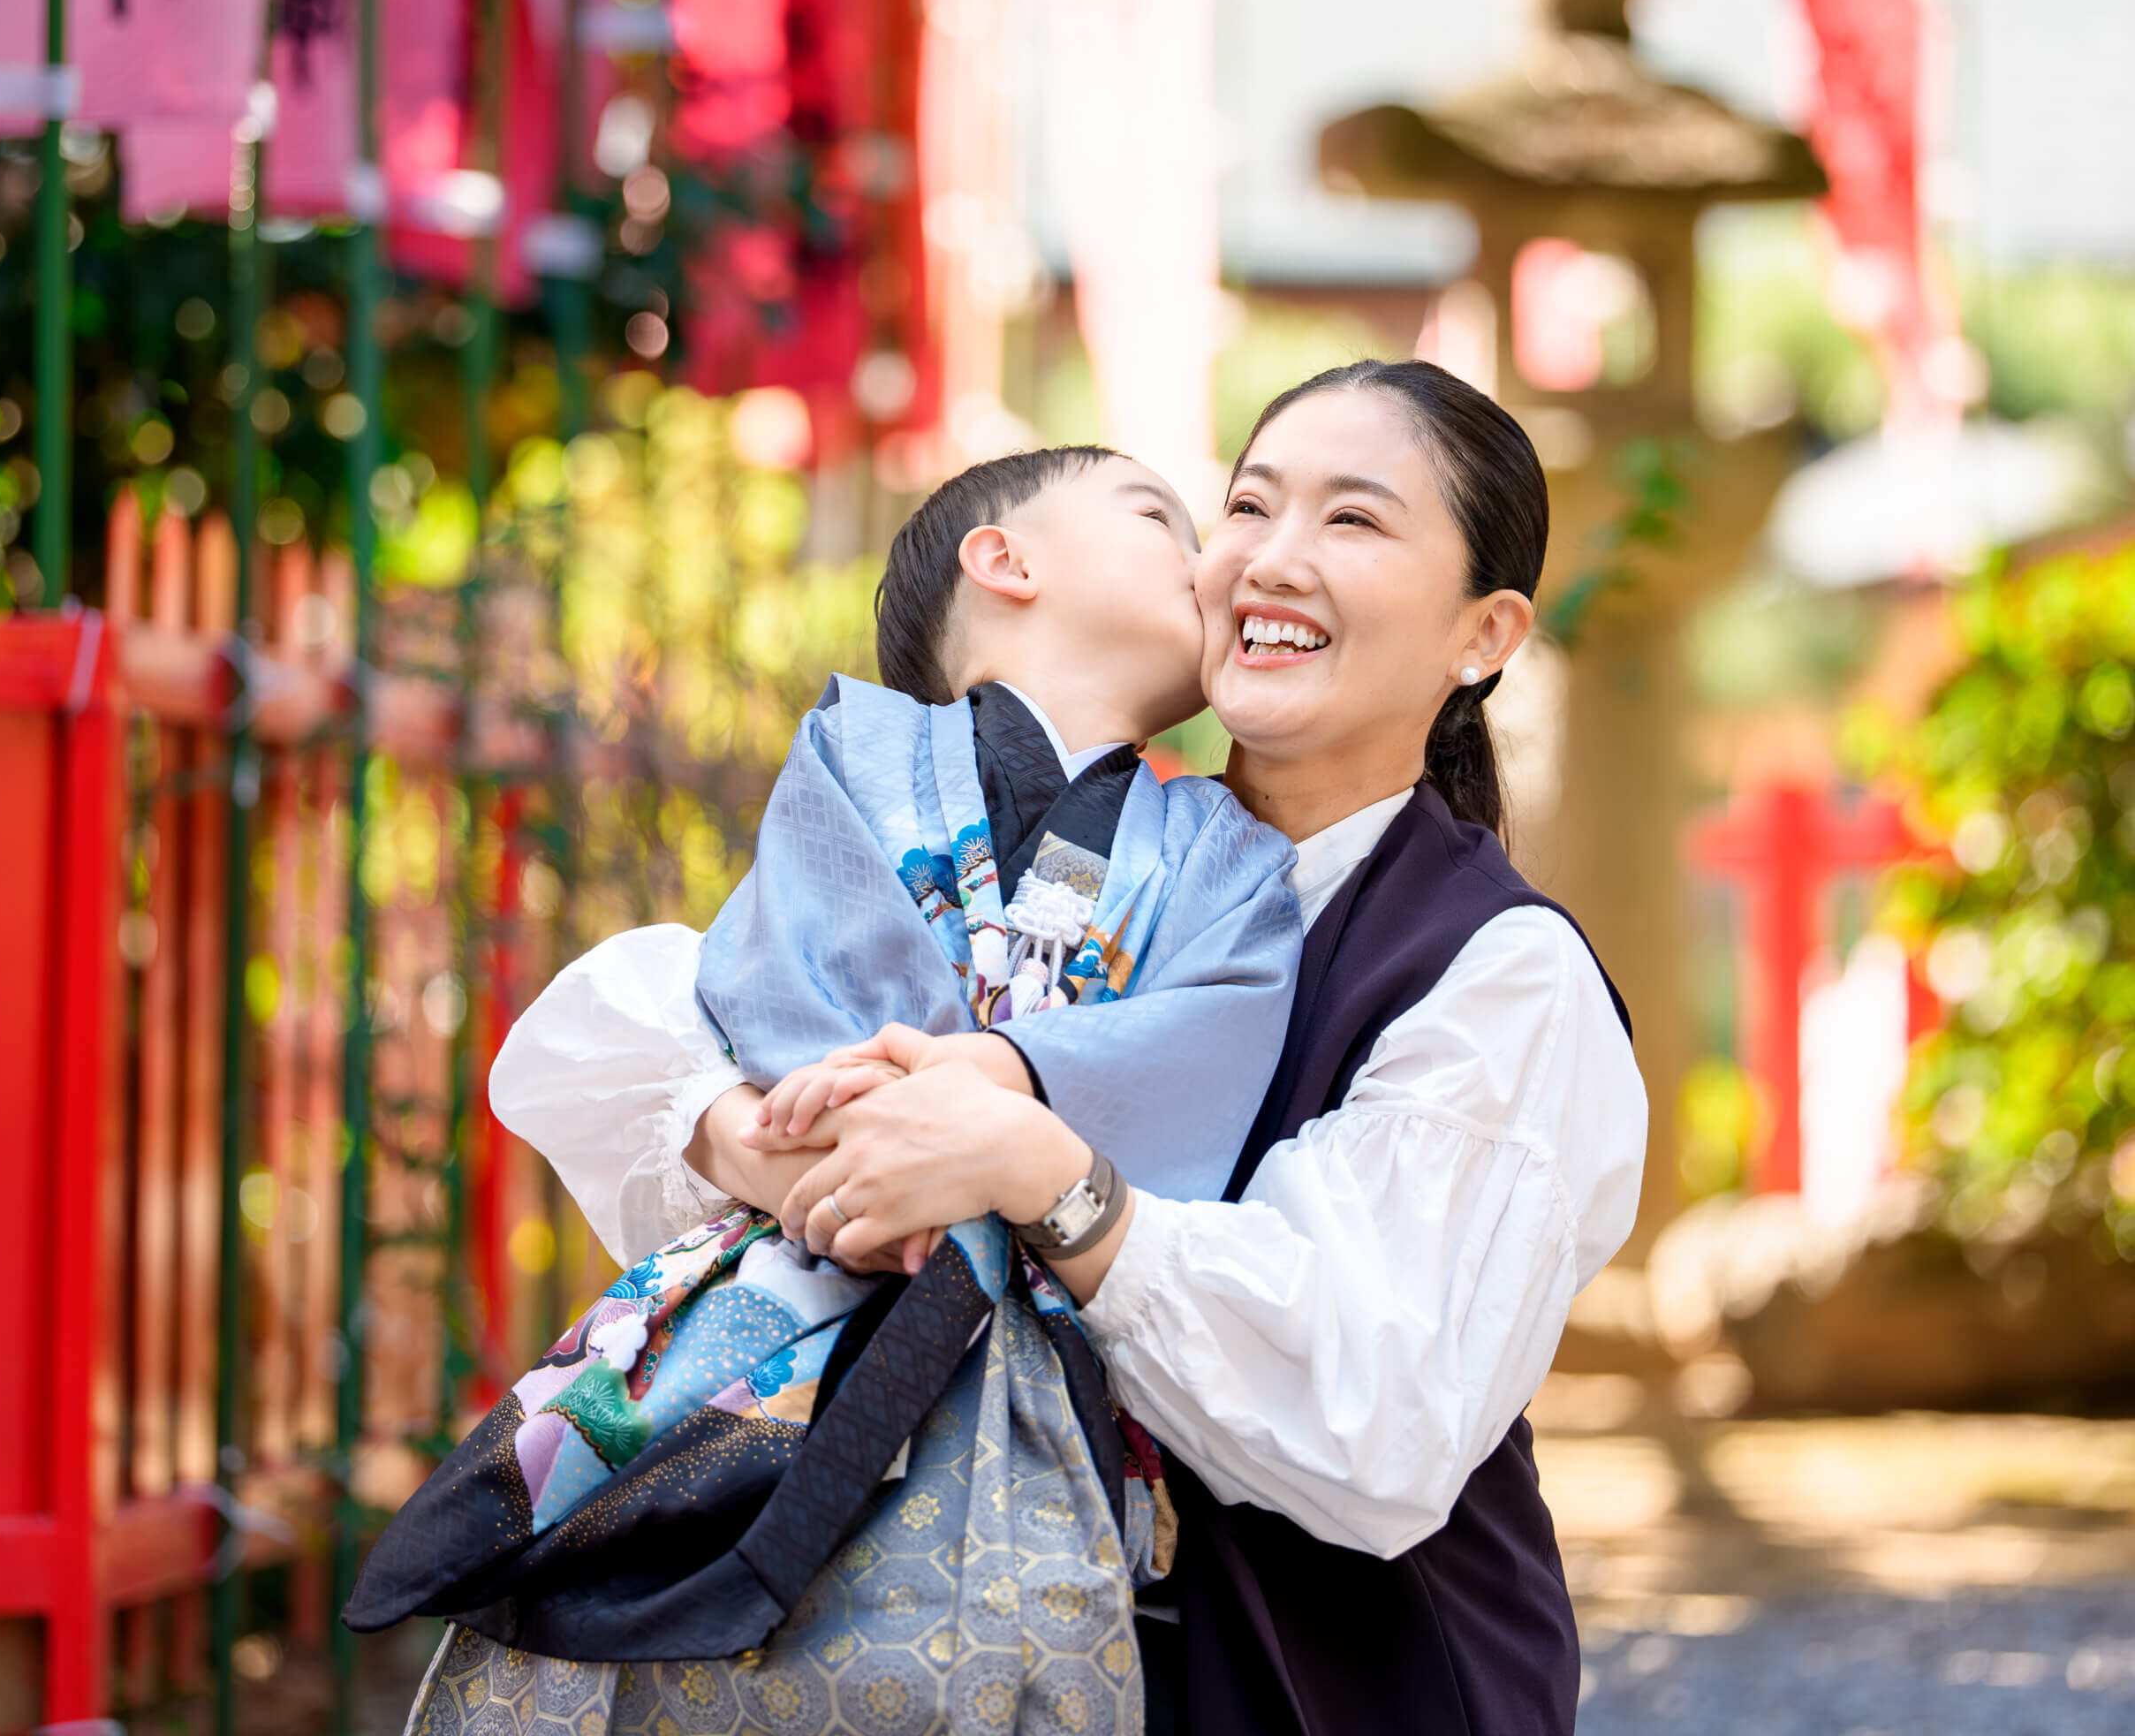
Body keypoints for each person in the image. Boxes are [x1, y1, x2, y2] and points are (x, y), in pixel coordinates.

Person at [518, 360, 1648, 1735]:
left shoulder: (1500, 973)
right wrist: (758, 1131)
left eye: (1354, 522)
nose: (1271, 560)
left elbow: (1376, 1420)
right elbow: (630, 1016)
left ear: (1484, 633)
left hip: (1336, 1690)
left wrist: (1038, 1168)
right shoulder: (1060, 857)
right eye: (1246, 505)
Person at [347, 444, 1303, 1730]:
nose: (1206, 562)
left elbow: (1213, 1049)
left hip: (1038, 1329)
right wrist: (876, 1137)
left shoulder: (1225, 854)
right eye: (1157, 517)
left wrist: (1003, 1082)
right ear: (1004, 560)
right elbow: (784, 974)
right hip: (828, 1251)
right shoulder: (860, 750)